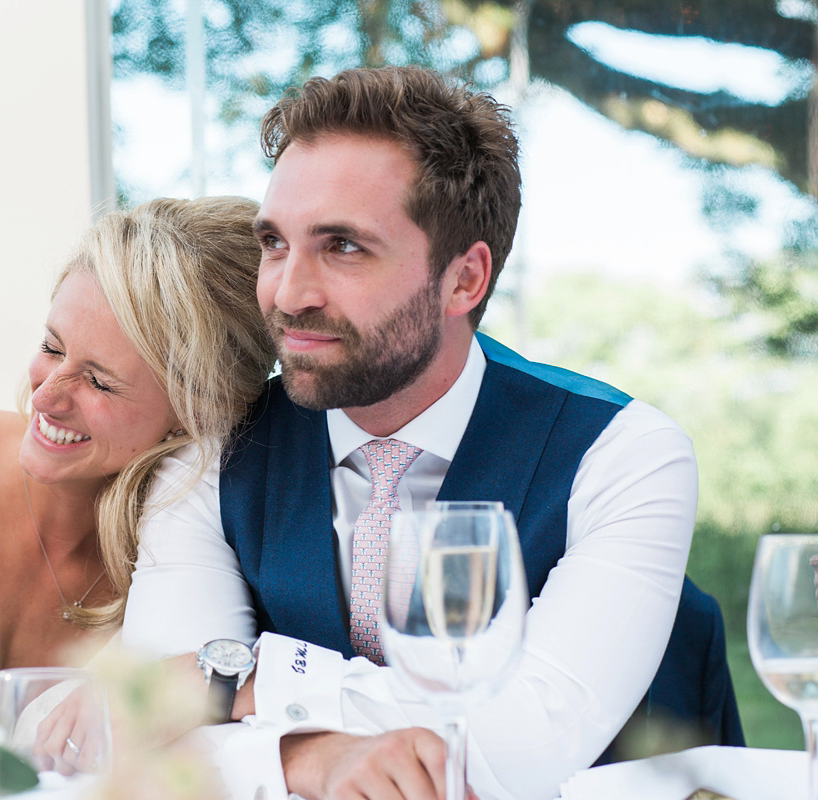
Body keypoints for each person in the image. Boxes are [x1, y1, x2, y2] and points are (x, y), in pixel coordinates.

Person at [121, 68, 703, 800]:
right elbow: (142, 733)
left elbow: (520, 753)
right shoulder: (213, 457)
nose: (288, 293)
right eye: (275, 243)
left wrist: (255, 678)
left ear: (465, 280)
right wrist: (310, 758)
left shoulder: (622, 456)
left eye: (344, 247)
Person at [0, 196, 276, 676]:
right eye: (51, 347)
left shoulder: (191, 543)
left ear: (197, 411)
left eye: (99, 381)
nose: (45, 397)